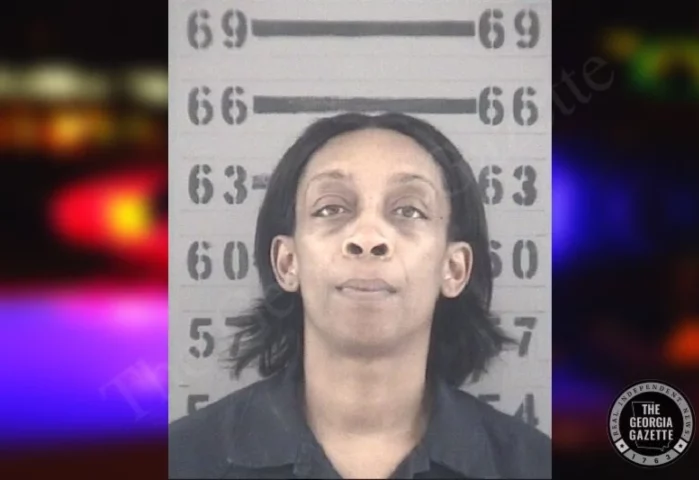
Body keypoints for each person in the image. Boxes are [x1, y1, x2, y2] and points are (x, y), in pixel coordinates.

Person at [169, 112, 551, 479]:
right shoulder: (183, 460)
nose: (368, 238)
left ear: (453, 269)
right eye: (331, 208)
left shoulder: (532, 465)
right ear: (287, 263)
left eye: (409, 210)